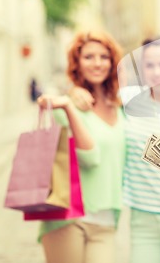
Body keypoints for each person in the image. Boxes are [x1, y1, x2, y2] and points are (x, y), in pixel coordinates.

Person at [72, 37, 160, 263]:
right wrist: (74, 92)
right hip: (141, 221)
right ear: (142, 69)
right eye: (150, 65)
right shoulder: (127, 101)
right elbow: (93, 96)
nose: (157, 72)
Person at [36, 31, 126, 263]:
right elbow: (90, 157)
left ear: (113, 62)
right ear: (77, 63)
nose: (97, 63)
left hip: (106, 220)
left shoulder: (121, 108)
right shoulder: (64, 107)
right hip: (68, 219)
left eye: (104, 57)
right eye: (88, 57)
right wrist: (68, 105)